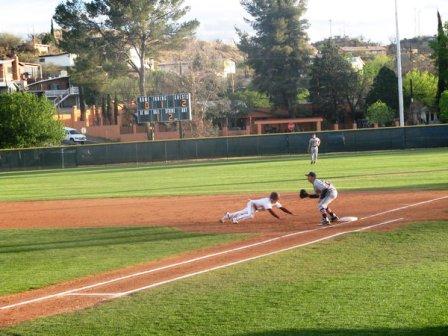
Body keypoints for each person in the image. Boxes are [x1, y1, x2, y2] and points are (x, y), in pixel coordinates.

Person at [221, 192, 294, 224]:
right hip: (252, 204)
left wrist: (290, 213)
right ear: (273, 198)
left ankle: (228, 215)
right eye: (277, 198)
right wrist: (278, 217)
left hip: (255, 207)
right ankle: (235, 219)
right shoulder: (267, 202)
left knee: (243, 212)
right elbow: (271, 212)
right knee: (250, 215)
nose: (278, 199)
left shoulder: (274, 202)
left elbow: (282, 208)